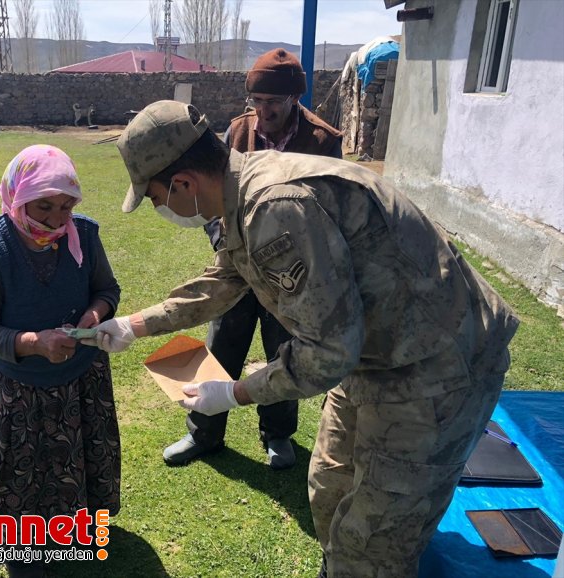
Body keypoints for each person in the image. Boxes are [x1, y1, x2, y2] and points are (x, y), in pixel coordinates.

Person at [85, 101, 519, 577]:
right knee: (330, 487)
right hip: (376, 356)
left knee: (372, 542)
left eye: (154, 197)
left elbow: (327, 352)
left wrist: (234, 392)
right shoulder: (241, 189)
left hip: (436, 367)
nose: (159, 208)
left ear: (183, 183)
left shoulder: (274, 206)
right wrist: (134, 324)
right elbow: (225, 279)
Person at [164, 47, 344, 469]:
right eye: (256, 101)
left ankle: (277, 434)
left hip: (290, 274)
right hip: (241, 264)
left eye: (273, 102)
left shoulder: (323, 142)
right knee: (221, 343)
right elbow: (215, 193)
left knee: (284, 349)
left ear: (294, 98)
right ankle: (203, 432)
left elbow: (331, 212)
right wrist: (222, 241)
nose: (263, 112)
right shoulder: (237, 131)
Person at [0, 145, 121, 578]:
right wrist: (34, 343)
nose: (56, 219)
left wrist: (95, 314)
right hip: (15, 385)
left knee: (75, 456)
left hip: (79, 376)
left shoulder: (84, 233)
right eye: (43, 206)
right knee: (19, 472)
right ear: (17, 196)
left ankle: (72, 527)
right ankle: (21, 548)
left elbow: (107, 289)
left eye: (66, 206)